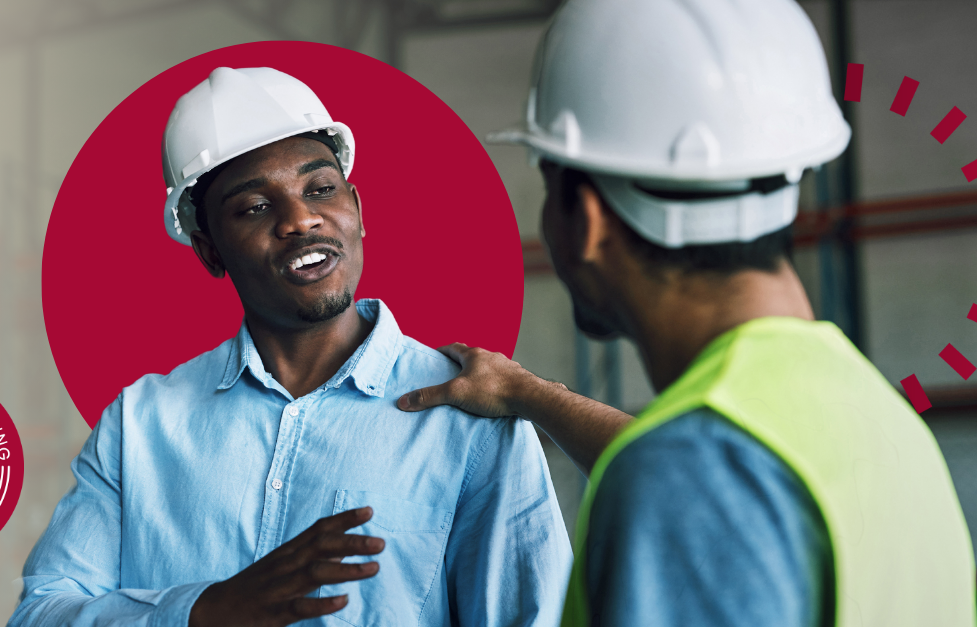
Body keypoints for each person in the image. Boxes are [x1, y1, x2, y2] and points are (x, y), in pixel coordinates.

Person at [398, 1, 977, 625]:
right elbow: (713, 486)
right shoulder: (871, 417)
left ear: (587, 220)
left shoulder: (690, 471)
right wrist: (530, 394)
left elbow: (692, 483)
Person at [8, 66, 571, 627]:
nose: (300, 220)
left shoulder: (467, 416)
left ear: (358, 210)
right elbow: (40, 615)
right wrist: (204, 612)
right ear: (210, 252)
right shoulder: (140, 425)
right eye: (255, 207)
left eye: (320, 189)